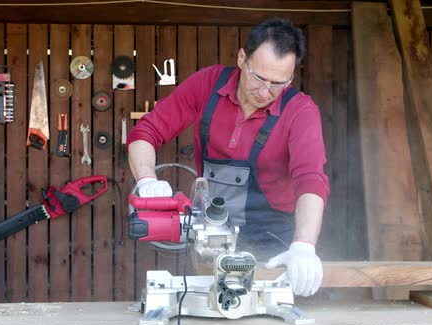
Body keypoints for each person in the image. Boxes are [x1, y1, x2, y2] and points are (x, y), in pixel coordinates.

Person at [126, 17, 329, 297]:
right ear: (242, 58)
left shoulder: (301, 111)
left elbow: (311, 181)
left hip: (271, 238)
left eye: (278, 83)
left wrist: (304, 246)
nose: (265, 92)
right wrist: (147, 180)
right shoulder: (207, 84)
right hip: (210, 233)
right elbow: (145, 132)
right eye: (258, 78)